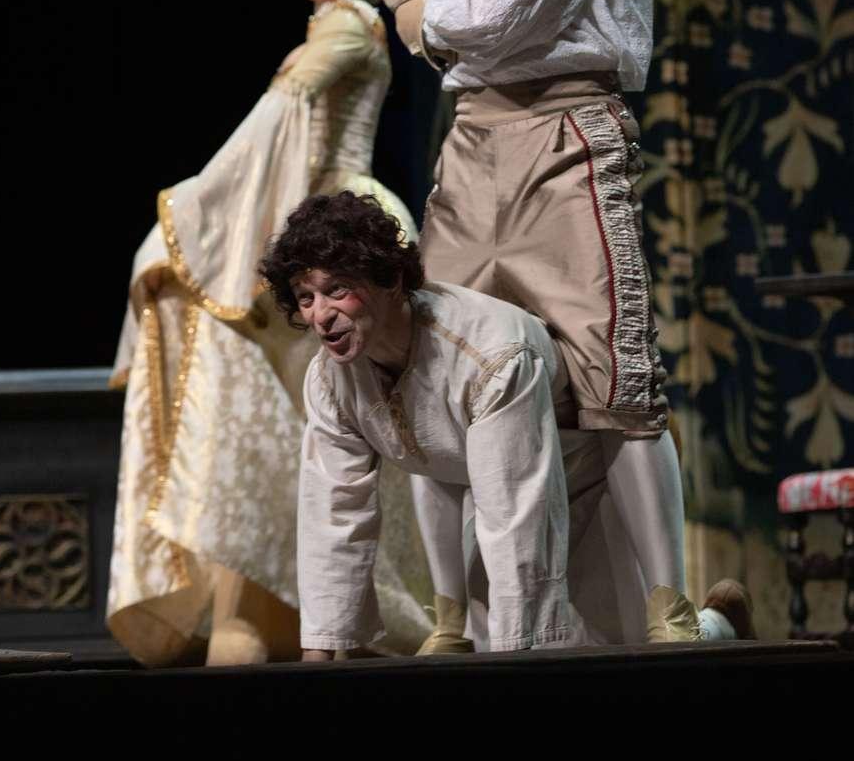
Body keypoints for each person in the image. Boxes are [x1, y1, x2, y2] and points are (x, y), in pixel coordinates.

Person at [375, 0, 754, 643]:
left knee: (611, 379)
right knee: (436, 376)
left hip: (562, 139)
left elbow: (489, 19)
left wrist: (419, 12)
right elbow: (477, 30)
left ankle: (674, 611)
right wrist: (435, 10)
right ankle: (452, 618)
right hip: (475, 142)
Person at [107, 0, 431, 667]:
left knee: (303, 421)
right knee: (275, 422)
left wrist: (193, 216)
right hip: (302, 222)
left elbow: (276, 122)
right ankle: (265, 609)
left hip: (330, 232)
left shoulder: (350, 25)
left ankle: (281, 615)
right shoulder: (332, 23)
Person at [260, 191, 750, 657]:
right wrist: (319, 650)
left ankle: (720, 622)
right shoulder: (331, 379)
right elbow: (332, 509)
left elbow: (516, 511)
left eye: (337, 290)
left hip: (590, 478)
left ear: (388, 280)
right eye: (305, 297)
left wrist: (514, 659)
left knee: (614, 652)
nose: (321, 316)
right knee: (518, 637)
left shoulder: (490, 354)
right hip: (491, 490)